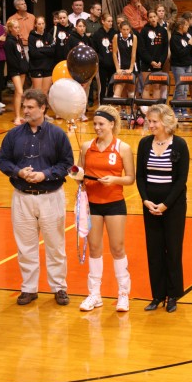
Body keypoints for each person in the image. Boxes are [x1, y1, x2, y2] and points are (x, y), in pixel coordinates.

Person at [0, 89, 74, 306]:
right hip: (22, 197)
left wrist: (44, 175)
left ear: (43, 108)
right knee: (25, 247)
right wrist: (18, 172)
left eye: (31, 107)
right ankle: (29, 288)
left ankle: (59, 287)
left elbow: (67, 163)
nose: (26, 111)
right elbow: (2, 161)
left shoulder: (57, 134)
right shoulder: (13, 135)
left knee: (55, 246)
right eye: (24, 107)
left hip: (50, 196)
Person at [78, 105, 135, 312]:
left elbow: (130, 178)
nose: (97, 128)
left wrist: (114, 179)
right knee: (94, 248)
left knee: (117, 248)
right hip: (92, 204)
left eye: (101, 124)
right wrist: (76, 175)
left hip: (114, 203)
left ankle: (123, 294)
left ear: (112, 124)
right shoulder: (86, 146)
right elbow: (79, 173)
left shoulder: (122, 148)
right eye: (95, 124)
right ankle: (94, 294)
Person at [136, 104, 189, 313]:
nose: (150, 125)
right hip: (150, 205)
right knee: (154, 251)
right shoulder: (144, 144)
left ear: (166, 122)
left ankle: (173, 294)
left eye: (154, 121)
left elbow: (181, 180)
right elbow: (141, 176)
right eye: (149, 121)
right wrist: (145, 200)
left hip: (173, 206)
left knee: (173, 250)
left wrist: (165, 205)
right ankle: (157, 295)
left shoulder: (180, 145)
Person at [4, 19, 29, 126]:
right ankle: (17, 117)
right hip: (15, 70)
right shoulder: (9, 42)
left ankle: (18, 115)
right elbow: (11, 59)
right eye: (15, 27)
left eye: (18, 27)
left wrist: (25, 66)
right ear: (10, 29)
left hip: (22, 69)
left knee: (19, 93)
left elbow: (22, 54)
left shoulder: (18, 39)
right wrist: (19, 67)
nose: (17, 29)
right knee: (19, 92)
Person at [170, 18, 192, 116]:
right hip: (178, 65)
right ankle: (176, 109)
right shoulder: (174, 38)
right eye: (186, 25)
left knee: (185, 89)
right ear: (181, 26)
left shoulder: (186, 36)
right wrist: (189, 44)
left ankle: (183, 108)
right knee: (180, 88)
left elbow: (190, 51)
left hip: (187, 64)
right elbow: (180, 53)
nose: (188, 27)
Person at [140, 10, 168, 100]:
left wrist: (161, 61)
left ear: (157, 17)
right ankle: (146, 110)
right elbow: (142, 49)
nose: (153, 19)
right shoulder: (144, 30)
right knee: (147, 87)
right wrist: (150, 61)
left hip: (158, 64)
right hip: (146, 63)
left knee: (157, 87)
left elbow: (165, 49)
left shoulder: (163, 31)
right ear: (148, 19)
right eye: (150, 17)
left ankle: (156, 109)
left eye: (154, 16)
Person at [92, 12, 117, 103]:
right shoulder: (97, 34)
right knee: (102, 87)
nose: (110, 23)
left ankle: (110, 105)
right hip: (102, 65)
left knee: (111, 86)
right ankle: (101, 105)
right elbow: (95, 50)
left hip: (113, 65)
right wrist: (102, 60)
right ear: (103, 21)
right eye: (108, 21)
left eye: (111, 21)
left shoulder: (115, 33)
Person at [28, 16, 55, 96]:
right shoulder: (32, 37)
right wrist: (46, 49)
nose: (41, 26)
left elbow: (52, 51)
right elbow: (33, 53)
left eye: (43, 23)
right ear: (35, 25)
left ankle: (42, 108)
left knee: (45, 92)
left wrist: (40, 49)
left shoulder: (49, 36)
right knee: (37, 93)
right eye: (39, 24)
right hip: (36, 67)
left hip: (48, 67)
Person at [112, 20, 138, 99]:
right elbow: (114, 53)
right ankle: (121, 109)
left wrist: (130, 68)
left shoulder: (134, 37)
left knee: (131, 91)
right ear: (120, 29)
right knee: (119, 89)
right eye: (124, 29)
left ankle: (132, 109)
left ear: (130, 29)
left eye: (127, 29)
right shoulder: (116, 37)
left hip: (131, 66)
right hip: (121, 66)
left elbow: (133, 54)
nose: (126, 31)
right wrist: (117, 68)